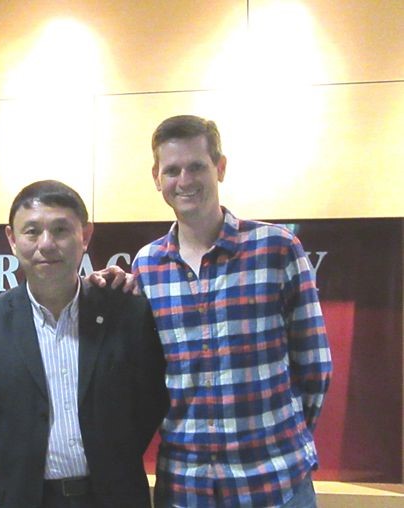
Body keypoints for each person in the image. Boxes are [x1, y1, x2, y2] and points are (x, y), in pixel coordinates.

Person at [132, 115, 333, 507]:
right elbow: (146, 376)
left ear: (220, 168)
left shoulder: (276, 248)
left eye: (196, 166)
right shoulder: (147, 265)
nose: (184, 180)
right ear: (157, 178)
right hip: (187, 488)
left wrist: (279, 441)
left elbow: (315, 367)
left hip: (274, 485)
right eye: (172, 170)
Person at [0, 180, 169, 508]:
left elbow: (150, 401)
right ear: (12, 239)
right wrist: (18, 471)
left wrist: (113, 461)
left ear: (85, 235)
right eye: (32, 231)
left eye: (60, 230)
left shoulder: (127, 313)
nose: (46, 244)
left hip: (115, 496)